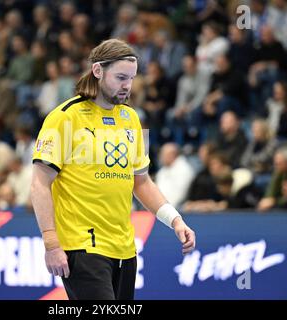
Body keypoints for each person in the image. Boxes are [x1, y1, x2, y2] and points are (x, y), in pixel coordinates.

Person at [31, 39, 196, 300]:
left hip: (124, 249)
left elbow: (141, 182)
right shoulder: (65, 117)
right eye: (120, 77)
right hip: (83, 247)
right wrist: (51, 243)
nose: (127, 85)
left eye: (131, 78)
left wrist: (175, 220)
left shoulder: (131, 118)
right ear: (98, 71)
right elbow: (40, 183)